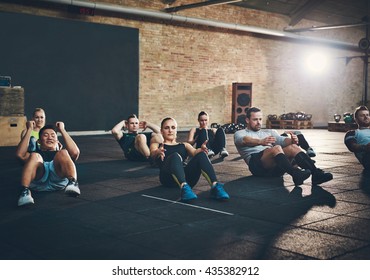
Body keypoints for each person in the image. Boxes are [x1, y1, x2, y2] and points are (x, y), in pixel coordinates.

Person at [234, 107, 333, 185]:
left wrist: (292, 140)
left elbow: (282, 140)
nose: (259, 122)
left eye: (260, 119)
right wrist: (260, 141)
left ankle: (316, 174)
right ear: (247, 120)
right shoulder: (240, 133)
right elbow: (245, 140)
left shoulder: (269, 132)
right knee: (276, 148)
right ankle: (295, 174)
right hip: (257, 167)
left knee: (293, 147)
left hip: (275, 167)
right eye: (255, 119)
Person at [150, 117, 229, 202]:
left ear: (176, 130)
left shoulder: (184, 145)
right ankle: (184, 187)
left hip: (187, 178)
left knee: (201, 155)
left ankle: (215, 186)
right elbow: (152, 154)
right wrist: (158, 151)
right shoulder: (157, 145)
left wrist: (201, 150)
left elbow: (195, 152)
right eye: (166, 128)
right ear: (161, 131)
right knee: (175, 156)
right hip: (168, 179)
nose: (170, 130)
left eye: (173, 128)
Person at [15, 121, 80, 207]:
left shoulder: (61, 156)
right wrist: (29, 129)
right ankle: (24, 192)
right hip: (39, 179)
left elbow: (75, 152)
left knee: (63, 152)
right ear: (39, 141)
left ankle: (73, 183)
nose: (50, 138)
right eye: (45, 135)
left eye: (53, 136)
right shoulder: (34, 154)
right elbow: (20, 155)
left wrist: (62, 130)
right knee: (34, 155)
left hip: (58, 178)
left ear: (57, 141)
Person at [344, 105, 370, 174]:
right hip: (367, 157)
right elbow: (352, 146)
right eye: (362, 115)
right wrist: (365, 147)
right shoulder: (352, 133)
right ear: (356, 119)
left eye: (367, 115)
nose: (366, 117)